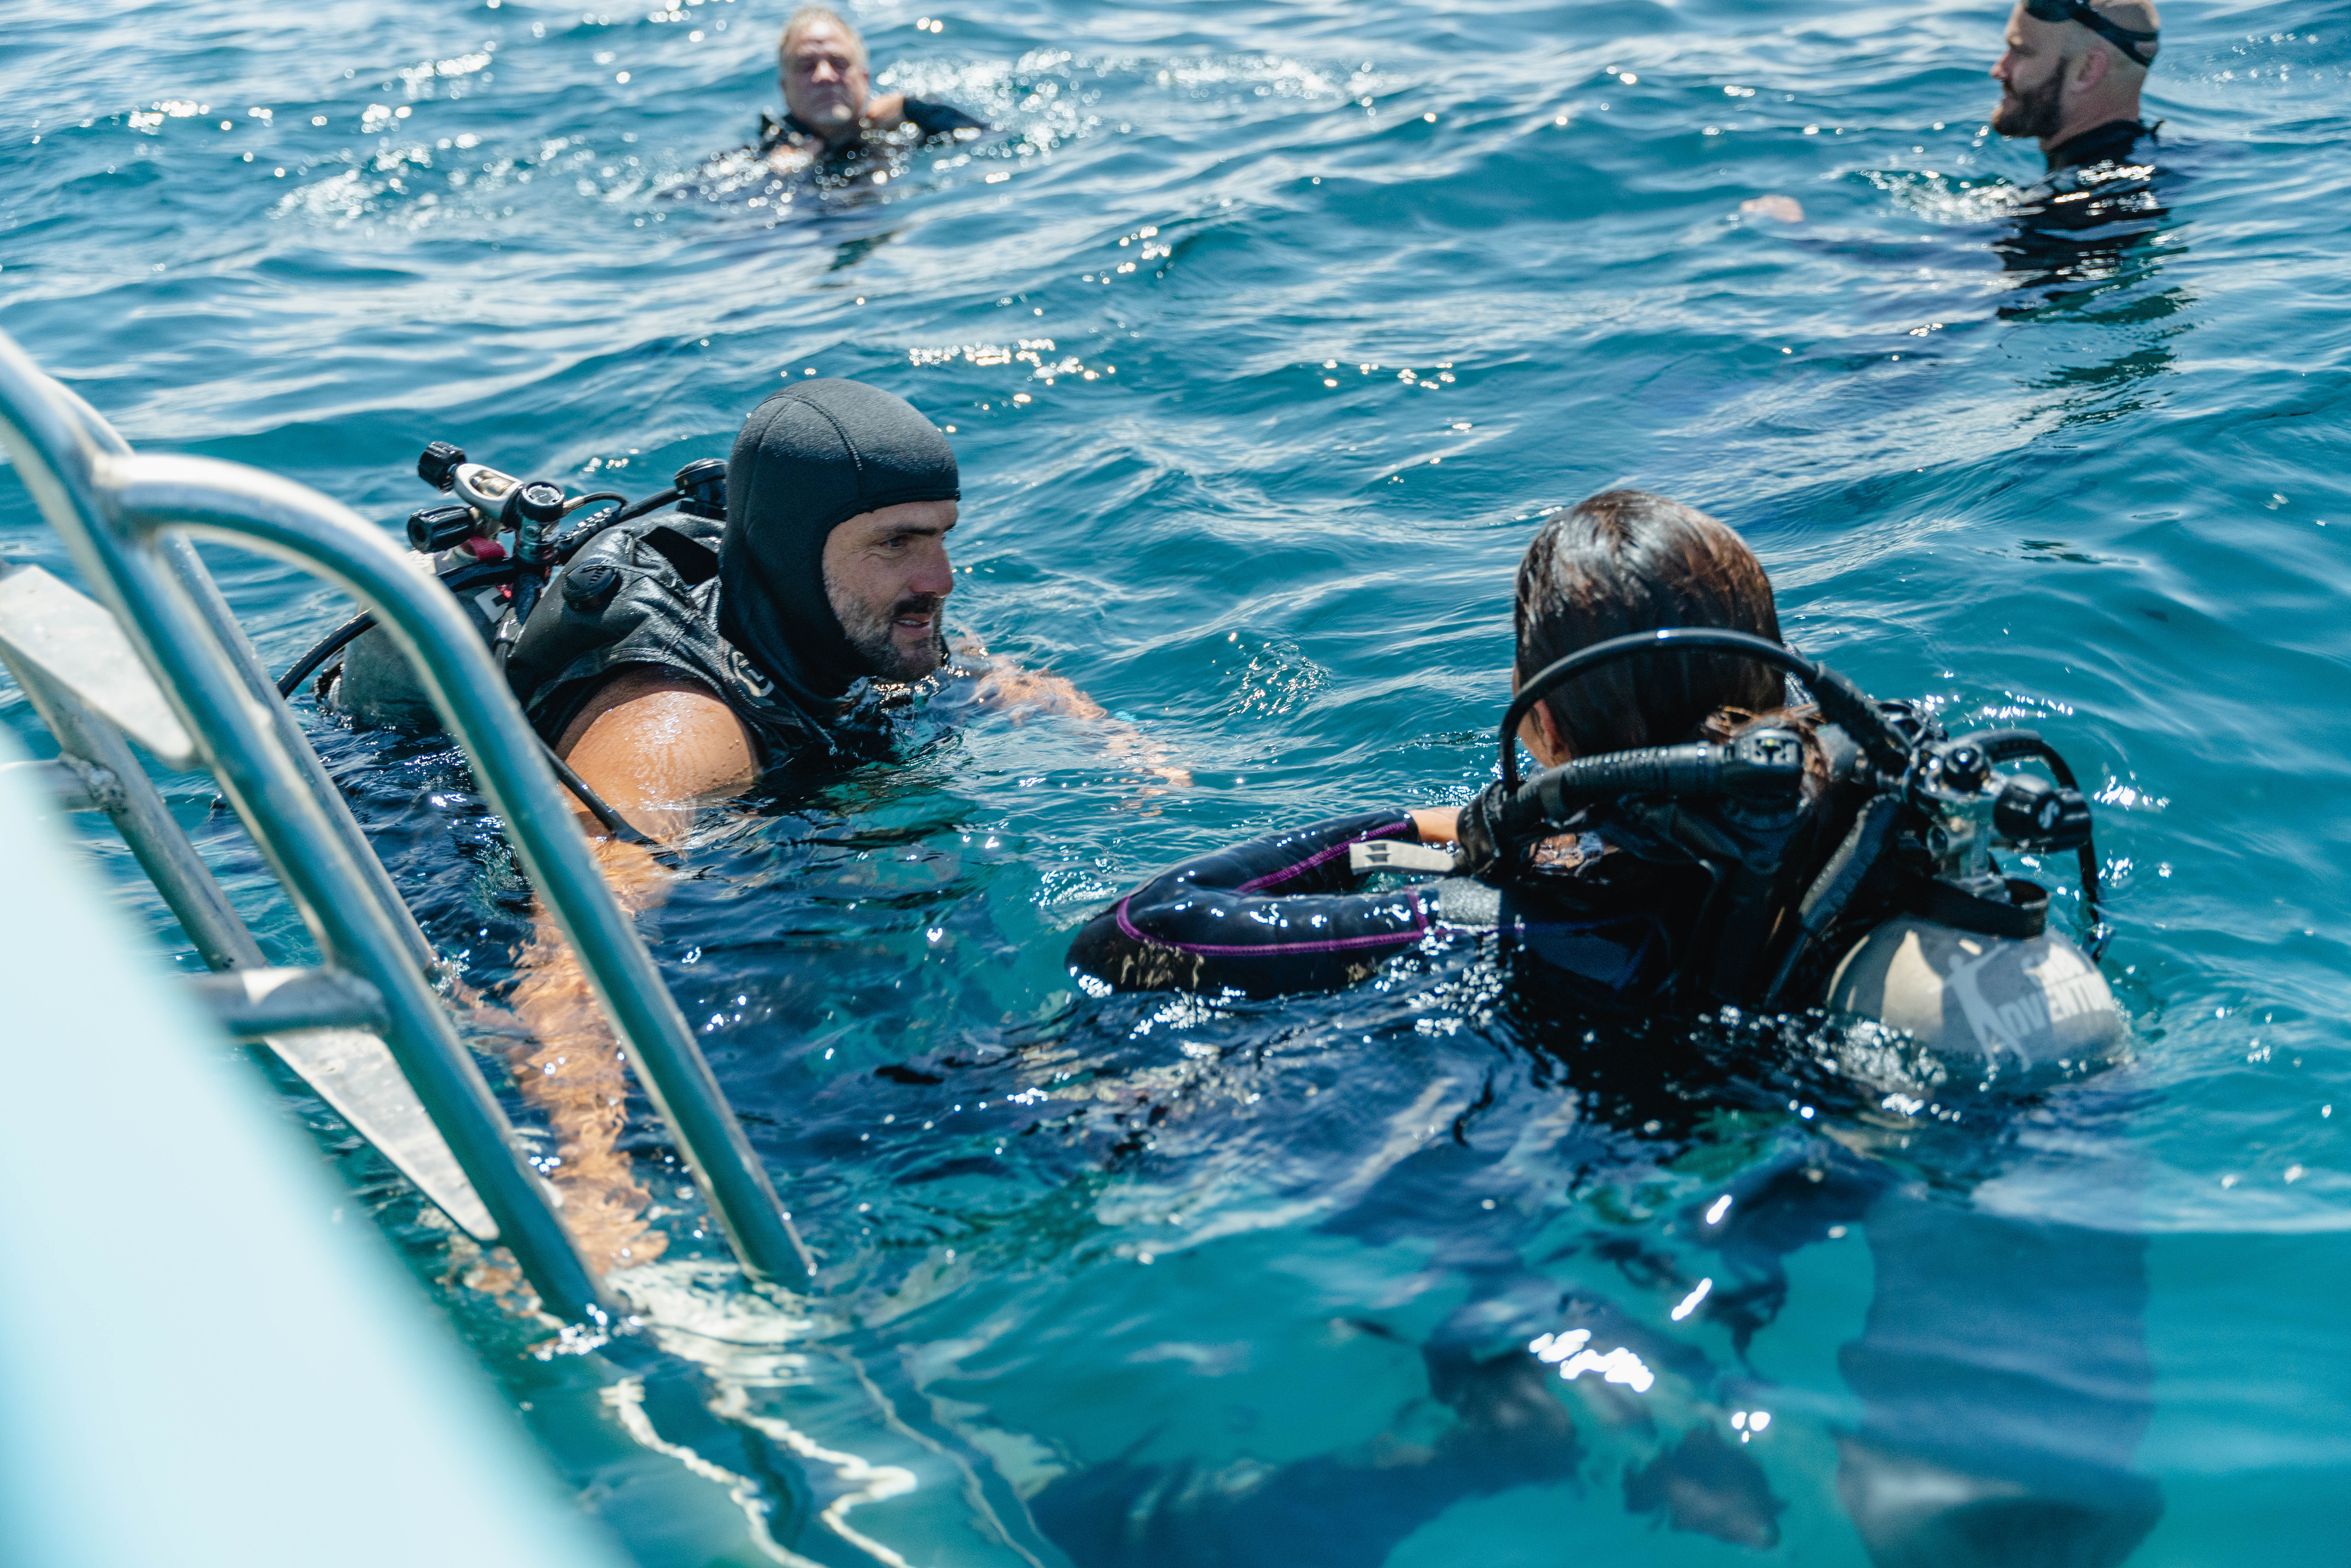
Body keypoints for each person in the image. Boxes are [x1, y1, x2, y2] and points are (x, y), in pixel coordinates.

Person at [1055, 490, 2160, 1567]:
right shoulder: (1846, 825)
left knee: (1253, 1103)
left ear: (1538, 720)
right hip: (2020, 1110)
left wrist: (1433, 831)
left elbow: (1141, 933)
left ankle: (1521, 1411)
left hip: (1828, 1138)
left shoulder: (1571, 919)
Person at [1739, 0, 2162, 226]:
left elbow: (1953, 278)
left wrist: (1802, 234)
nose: (1999, 70)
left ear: (2088, 70)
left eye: (2021, 53)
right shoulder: (2170, 166)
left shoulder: (2076, 204)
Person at [754, 5, 986, 178]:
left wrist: (913, 109)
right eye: (806, 66)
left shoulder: (901, 131)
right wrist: (779, 175)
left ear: (864, 80)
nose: (825, 75)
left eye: (839, 62)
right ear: (785, 90)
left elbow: (986, 137)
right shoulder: (763, 160)